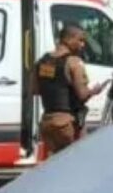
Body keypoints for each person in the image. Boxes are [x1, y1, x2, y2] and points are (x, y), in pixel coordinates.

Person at [32, 25, 108, 156]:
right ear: (69, 39)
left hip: (47, 123)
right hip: (67, 125)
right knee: (76, 162)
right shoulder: (73, 62)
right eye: (80, 40)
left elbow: (35, 90)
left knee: (54, 165)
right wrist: (95, 90)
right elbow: (82, 95)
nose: (83, 44)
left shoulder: (42, 62)